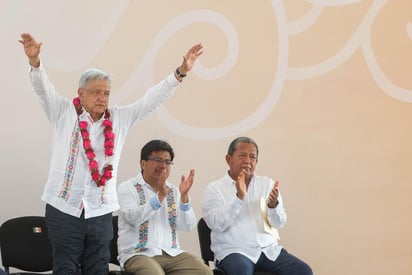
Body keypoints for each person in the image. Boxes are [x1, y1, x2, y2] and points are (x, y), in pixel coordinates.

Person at [18, 32, 203, 275]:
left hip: (100, 210)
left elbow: (151, 100)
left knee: (98, 268)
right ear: (80, 93)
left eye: (106, 93)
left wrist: (180, 73)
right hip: (64, 208)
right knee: (65, 268)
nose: (102, 98)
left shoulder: (119, 119)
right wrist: (35, 62)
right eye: (95, 92)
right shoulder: (63, 112)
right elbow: (43, 90)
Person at [201, 137, 313, 275]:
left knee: (304, 271)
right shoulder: (214, 189)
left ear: (256, 161)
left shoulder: (267, 185)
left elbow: (279, 223)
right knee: (241, 271)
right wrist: (238, 198)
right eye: (242, 155)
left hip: (268, 250)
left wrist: (273, 206)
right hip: (234, 251)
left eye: (252, 157)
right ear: (228, 159)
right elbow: (216, 224)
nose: (248, 161)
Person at [117, 139, 212, 275]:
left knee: (204, 272)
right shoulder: (127, 188)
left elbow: (187, 226)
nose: (163, 165)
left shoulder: (173, 190)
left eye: (167, 162)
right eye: (157, 160)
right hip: (138, 254)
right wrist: (159, 197)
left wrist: (184, 198)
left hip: (172, 253)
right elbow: (133, 219)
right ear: (143, 163)